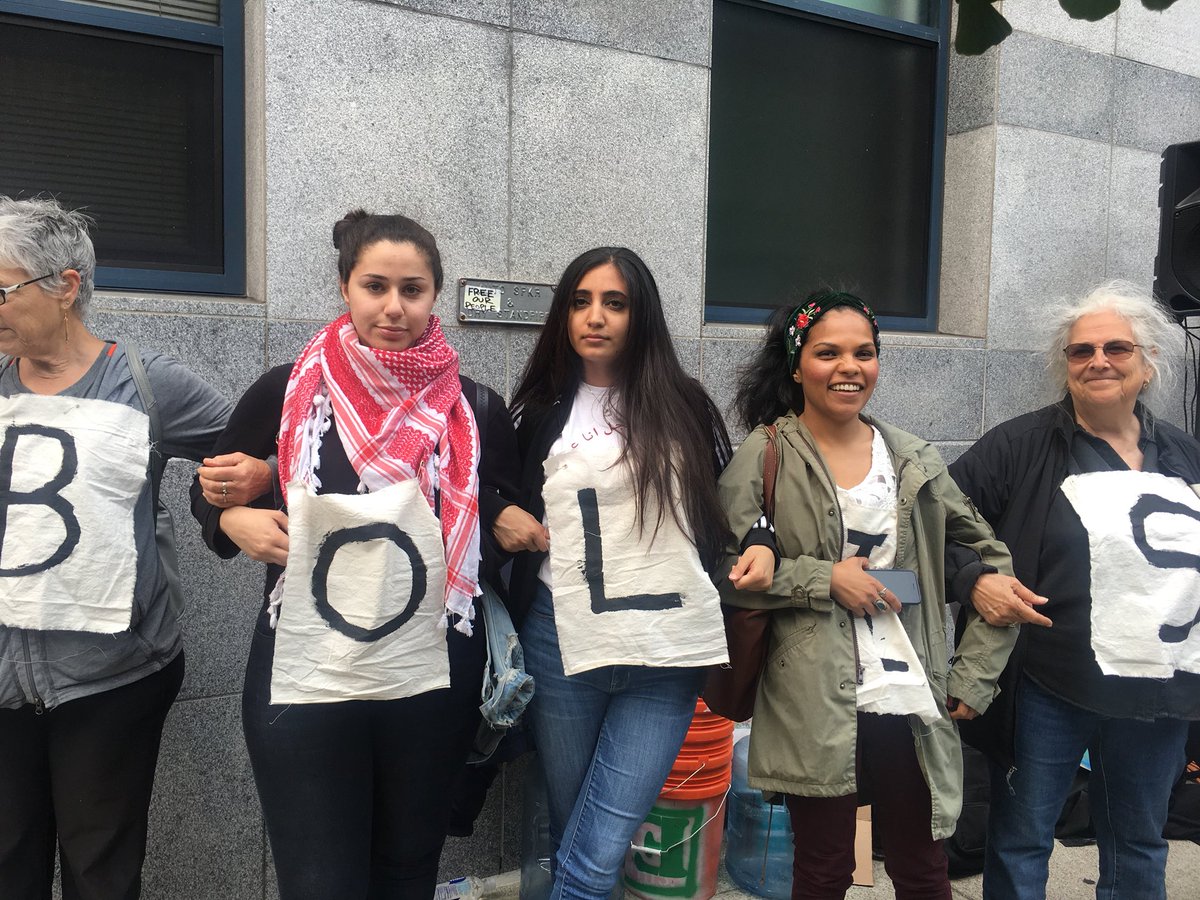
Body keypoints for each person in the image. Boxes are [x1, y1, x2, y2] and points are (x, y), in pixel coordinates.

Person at [189, 210, 521, 900]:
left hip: (431, 675)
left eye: (413, 289)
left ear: (434, 296)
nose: (393, 307)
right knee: (320, 882)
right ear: (346, 287)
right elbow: (210, 497)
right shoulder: (289, 393)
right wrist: (237, 517)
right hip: (307, 674)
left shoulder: (477, 409)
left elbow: (498, 522)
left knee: (406, 875)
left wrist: (508, 517)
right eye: (375, 286)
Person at [0, 195, 264, 899]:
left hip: (112, 677)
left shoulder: (147, 384)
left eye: (0, 288)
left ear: (65, 286)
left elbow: (253, 444)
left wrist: (249, 484)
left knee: (101, 873)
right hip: (1, 675)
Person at [717, 291, 1018, 900]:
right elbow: (724, 566)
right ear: (798, 364)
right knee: (824, 871)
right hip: (813, 694)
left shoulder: (911, 458)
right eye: (828, 353)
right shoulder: (768, 452)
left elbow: (991, 558)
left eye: (865, 353)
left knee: (922, 869)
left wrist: (974, 676)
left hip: (909, 688)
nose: (849, 367)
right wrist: (825, 578)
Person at [946, 281, 1200, 900]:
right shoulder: (1019, 445)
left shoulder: (1184, 456)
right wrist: (975, 579)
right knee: (1023, 837)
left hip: (1157, 690)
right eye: (1081, 351)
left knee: (1139, 841)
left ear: (1149, 363)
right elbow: (930, 526)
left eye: (1117, 348)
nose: (1098, 361)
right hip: (1047, 684)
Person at [496, 246, 732, 900]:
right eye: (581, 301)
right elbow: (493, 495)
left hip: (665, 652)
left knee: (595, 853)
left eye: (615, 302)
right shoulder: (540, 411)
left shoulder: (685, 406)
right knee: (580, 833)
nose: (594, 317)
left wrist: (759, 540)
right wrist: (503, 517)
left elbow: (730, 508)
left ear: (641, 315)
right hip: (559, 641)